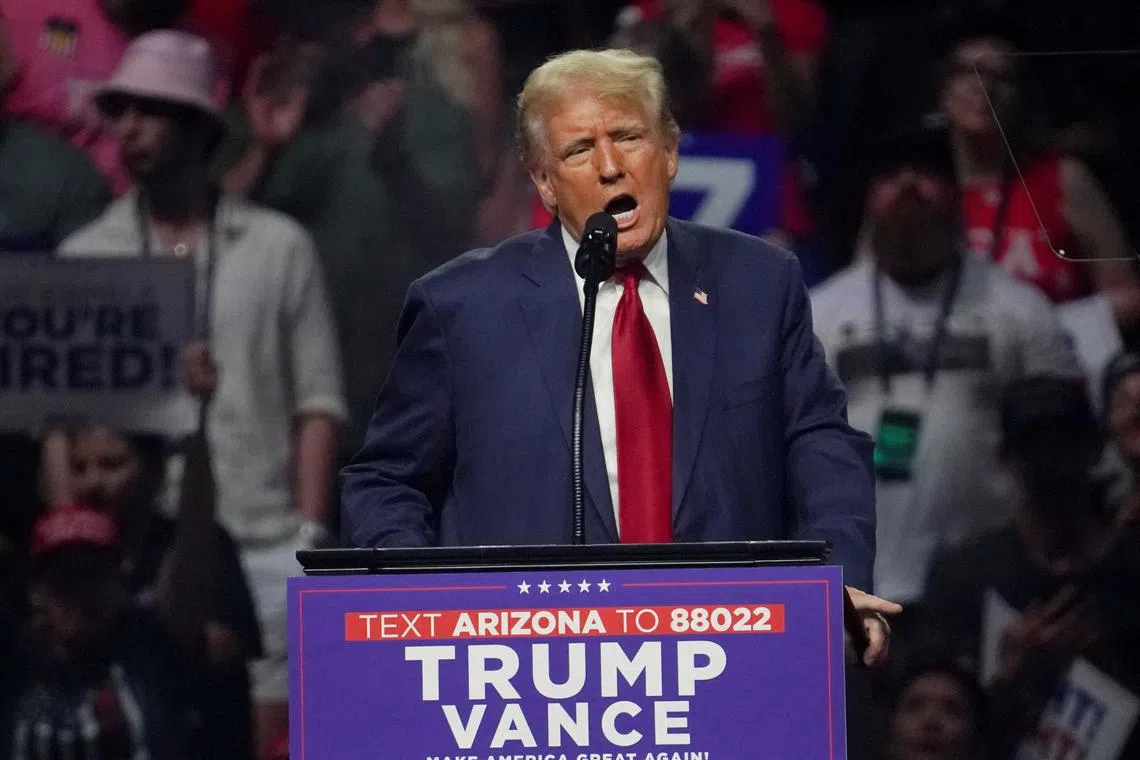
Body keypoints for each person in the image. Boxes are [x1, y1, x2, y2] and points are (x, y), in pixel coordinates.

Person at [341, 48, 897, 664]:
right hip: (528, 674)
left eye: (629, 137)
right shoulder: (461, 306)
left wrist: (836, 581)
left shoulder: (758, 283)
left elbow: (820, 445)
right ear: (545, 183)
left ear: (670, 152)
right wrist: (425, 610)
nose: (610, 167)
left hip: (732, 657)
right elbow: (387, 480)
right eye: (579, 150)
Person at [48, 30, 347, 757]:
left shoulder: (278, 246)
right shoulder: (87, 256)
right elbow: (59, 422)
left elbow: (318, 398)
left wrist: (306, 534)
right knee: (142, 731)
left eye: (150, 111)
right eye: (120, 111)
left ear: (195, 125)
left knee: (269, 740)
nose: (128, 128)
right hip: (136, 553)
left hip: (264, 532)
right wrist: (73, 539)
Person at [810, 122, 1081, 609]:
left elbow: (1060, 447)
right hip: (850, 578)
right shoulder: (819, 313)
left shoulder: (1018, 308)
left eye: (927, 173)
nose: (909, 185)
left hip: (978, 578)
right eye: (891, 175)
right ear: (869, 200)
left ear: (957, 197)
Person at [921, 376, 1140, 758]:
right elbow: (930, 727)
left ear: (1094, 449)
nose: (1049, 461)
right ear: (1007, 459)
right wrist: (1011, 678)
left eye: (1062, 444)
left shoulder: (1132, 567)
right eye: (1034, 447)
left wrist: (1105, 662)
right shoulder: (966, 575)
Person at [937, 28, 1140, 334]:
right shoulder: (913, 189)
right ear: (942, 93)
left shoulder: (1062, 179)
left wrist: (1047, 328)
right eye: (968, 73)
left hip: (1053, 362)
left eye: (1001, 77)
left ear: (1022, 96)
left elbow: (1128, 294)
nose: (984, 87)